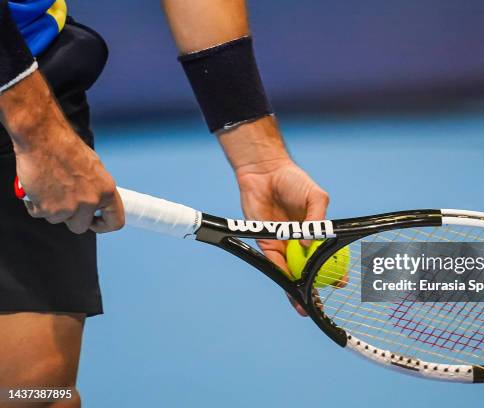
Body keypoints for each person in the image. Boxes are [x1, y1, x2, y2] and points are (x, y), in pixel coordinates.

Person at [0, 0, 329, 405]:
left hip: (28, 65)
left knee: (32, 392)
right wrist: (36, 130)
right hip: (22, 99)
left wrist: (259, 160)